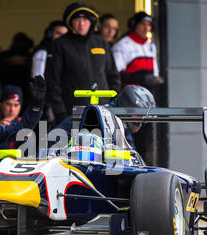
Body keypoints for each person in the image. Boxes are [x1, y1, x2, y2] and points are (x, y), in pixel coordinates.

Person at [46, 2, 120, 126]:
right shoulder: (59, 45)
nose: (81, 23)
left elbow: (113, 77)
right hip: (71, 112)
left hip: (104, 111)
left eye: (85, 19)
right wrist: (60, 112)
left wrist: (114, 106)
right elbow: (52, 82)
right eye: (77, 19)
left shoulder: (101, 43)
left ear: (91, 21)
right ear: (70, 22)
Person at [111, 12, 164, 166]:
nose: (146, 28)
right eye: (142, 24)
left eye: (149, 25)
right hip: (128, 100)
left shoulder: (150, 46)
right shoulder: (122, 45)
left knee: (145, 140)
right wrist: (140, 78)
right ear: (134, 24)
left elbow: (154, 73)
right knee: (128, 139)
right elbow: (118, 75)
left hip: (146, 99)